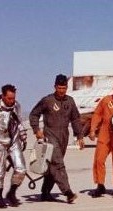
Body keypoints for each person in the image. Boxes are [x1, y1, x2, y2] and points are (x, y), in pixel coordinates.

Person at [29, 74, 84, 203]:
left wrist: (80, 136)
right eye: (59, 88)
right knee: (58, 164)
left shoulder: (70, 101)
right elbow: (34, 114)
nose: (61, 90)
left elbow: (75, 119)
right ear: (55, 87)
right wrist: (36, 129)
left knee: (52, 167)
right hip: (50, 135)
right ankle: (68, 192)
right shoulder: (47, 100)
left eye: (64, 88)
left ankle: (45, 192)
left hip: (64, 136)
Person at [0, 84, 27, 208]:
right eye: (9, 98)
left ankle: (11, 193)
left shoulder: (16, 106)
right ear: (3, 96)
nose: (12, 101)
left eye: (13, 98)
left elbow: (18, 121)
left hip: (13, 142)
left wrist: (23, 134)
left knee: (21, 169)